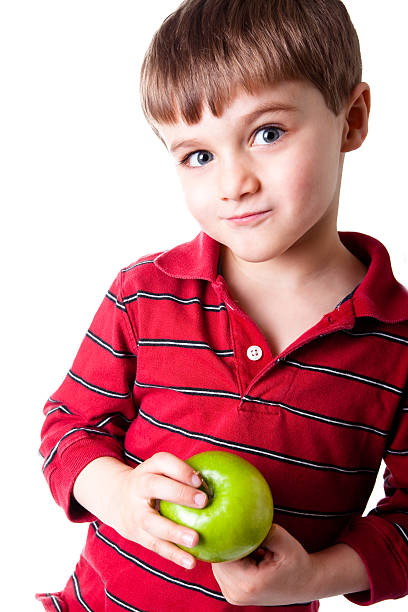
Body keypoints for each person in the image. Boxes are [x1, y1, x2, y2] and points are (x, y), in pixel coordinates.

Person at [37, 0, 408, 610]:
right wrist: (123, 497)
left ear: (353, 118)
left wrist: (312, 578)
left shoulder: (398, 344)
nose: (233, 183)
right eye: (198, 156)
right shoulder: (145, 295)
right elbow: (68, 428)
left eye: (268, 134)